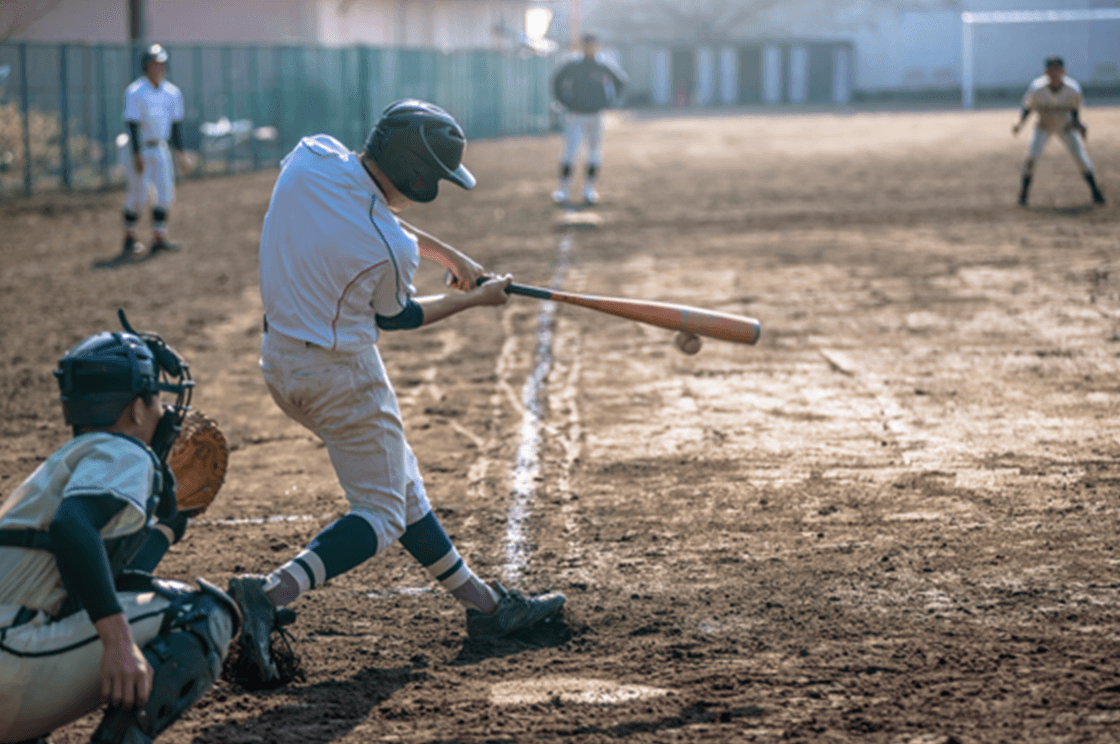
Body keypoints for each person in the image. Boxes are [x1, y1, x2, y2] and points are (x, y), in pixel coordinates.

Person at [227, 99, 566, 685]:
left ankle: (486, 608)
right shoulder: (390, 247)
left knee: (399, 484)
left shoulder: (313, 155)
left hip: (279, 362)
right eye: (433, 176)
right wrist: (474, 297)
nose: (433, 185)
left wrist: (449, 255)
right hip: (342, 378)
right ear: (413, 173)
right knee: (382, 512)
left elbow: (360, 205)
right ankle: (270, 591)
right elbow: (401, 317)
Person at [0, 322, 245, 744]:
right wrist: (118, 644)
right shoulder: (124, 451)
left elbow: (99, 584)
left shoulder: (67, 465)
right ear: (134, 409)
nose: (165, 413)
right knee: (202, 613)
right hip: (10, 663)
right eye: (155, 401)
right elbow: (72, 528)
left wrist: (167, 528)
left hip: (14, 656)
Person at [120, 43, 192, 259]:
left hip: (160, 147)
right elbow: (132, 124)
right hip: (140, 148)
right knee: (139, 196)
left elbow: (176, 125)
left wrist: (180, 153)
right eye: (153, 65)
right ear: (146, 67)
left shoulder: (172, 92)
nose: (158, 69)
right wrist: (136, 155)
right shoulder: (135, 91)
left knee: (166, 194)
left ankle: (159, 237)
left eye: (161, 64)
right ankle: (128, 236)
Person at [1013, 55, 1106, 206]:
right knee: (1031, 158)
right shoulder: (1037, 89)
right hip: (1043, 126)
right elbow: (1028, 107)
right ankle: (1023, 195)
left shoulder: (1072, 89)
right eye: (1051, 70)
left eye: (1057, 70)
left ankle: (1096, 192)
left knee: (1081, 158)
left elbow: (1075, 109)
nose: (1054, 74)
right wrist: (1020, 123)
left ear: (1064, 71)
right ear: (1045, 72)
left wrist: (1078, 123)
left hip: (1066, 127)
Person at [551, 32, 628, 206]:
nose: (590, 48)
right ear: (582, 46)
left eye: (593, 45)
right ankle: (563, 190)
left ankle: (589, 190)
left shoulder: (602, 65)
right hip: (576, 115)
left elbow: (621, 81)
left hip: (596, 115)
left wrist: (610, 101)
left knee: (593, 153)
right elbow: (557, 79)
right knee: (570, 152)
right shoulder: (575, 65)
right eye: (587, 45)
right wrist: (564, 100)